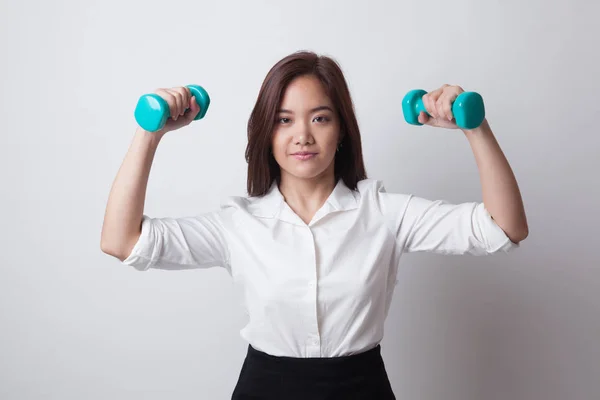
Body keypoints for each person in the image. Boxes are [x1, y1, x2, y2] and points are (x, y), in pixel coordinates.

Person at [101, 50, 528, 399]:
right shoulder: (239, 225)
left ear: (341, 130)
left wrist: (476, 129)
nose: (302, 135)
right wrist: (149, 133)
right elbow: (123, 241)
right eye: (284, 120)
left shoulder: (384, 213)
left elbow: (504, 228)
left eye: (320, 118)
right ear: (266, 134)